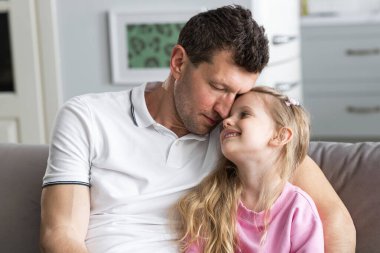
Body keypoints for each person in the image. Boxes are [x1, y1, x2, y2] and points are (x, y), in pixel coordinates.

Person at [40, 5, 355, 253]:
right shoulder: (86, 116)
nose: (225, 109)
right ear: (178, 62)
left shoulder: (236, 136)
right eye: (218, 87)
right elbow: (61, 233)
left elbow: (335, 218)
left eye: (239, 94)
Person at [175, 86, 323, 253]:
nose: (226, 121)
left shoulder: (298, 209)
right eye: (230, 115)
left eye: (244, 114)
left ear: (279, 136)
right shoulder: (211, 202)